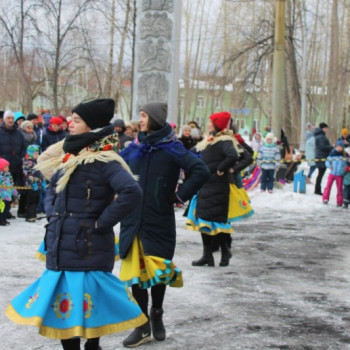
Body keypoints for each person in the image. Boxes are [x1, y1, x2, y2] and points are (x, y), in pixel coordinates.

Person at [5, 98, 147, 350]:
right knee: (63, 315)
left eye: (77, 120)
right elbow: (52, 189)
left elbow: (131, 192)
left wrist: (101, 222)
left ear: (91, 126)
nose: (71, 123)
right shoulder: (70, 155)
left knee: (91, 313)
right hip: (61, 244)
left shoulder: (106, 160)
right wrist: (52, 213)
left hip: (88, 248)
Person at [118, 101, 209, 348]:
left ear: (156, 119)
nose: (141, 120)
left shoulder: (172, 148)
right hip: (132, 219)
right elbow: (114, 167)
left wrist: (180, 194)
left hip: (158, 219)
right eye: (140, 115)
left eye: (145, 115)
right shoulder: (134, 148)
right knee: (135, 275)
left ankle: (157, 313)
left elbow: (200, 170)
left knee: (157, 272)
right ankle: (142, 324)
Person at [186, 111, 242, 268]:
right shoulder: (209, 140)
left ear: (217, 124)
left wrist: (221, 168)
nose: (208, 124)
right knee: (203, 220)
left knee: (218, 222)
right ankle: (207, 256)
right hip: (205, 184)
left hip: (218, 186)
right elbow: (192, 152)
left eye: (211, 122)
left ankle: (225, 252)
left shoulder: (225, 141)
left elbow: (233, 156)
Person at [0, 110, 26, 218]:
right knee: (2, 191)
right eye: (8, 118)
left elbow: (24, 148)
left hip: (16, 165)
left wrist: (21, 159)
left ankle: (7, 210)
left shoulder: (19, 133)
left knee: (11, 190)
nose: (10, 120)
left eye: (12, 118)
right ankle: (1, 212)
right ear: (4, 120)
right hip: (2, 167)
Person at [22, 144, 44, 222]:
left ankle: (33, 214)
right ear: (30, 153)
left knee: (36, 199)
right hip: (31, 185)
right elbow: (31, 172)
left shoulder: (36, 161)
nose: (37, 155)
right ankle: (29, 216)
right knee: (31, 200)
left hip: (37, 184)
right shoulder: (27, 162)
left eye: (38, 153)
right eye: (35, 153)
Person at [322, 140, 346, 207]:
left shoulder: (344, 155)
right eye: (337, 146)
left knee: (339, 188)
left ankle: (339, 202)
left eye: (340, 147)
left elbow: (346, 164)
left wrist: (344, 170)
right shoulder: (332, 154)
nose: (338, 148)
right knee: (328, 186)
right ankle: (325, 198)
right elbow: (327, 161)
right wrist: (329, 166)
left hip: (340, 175)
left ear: (342, 148)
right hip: (332, 173)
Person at [314, 122, 333, 195]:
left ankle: (317, 189)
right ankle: (317, 190)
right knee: (320, 174)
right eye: (326, 128)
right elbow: (322, 147)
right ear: (323, 128)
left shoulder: (319, 135)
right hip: (321, 157)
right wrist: (331, 147)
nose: (327, 130)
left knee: (320, 174)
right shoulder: (321, 137)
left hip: (320, 156)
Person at [0, 158, 18, 226]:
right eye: (6, 167)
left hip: (8, 195)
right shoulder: (0, 176)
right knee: (2, 209)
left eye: (8, 166)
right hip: (2, 196)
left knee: (7, 207)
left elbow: (11, 184)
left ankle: (4, 218)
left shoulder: (8, 175)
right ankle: (2, 221)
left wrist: (14, 191)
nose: (8, 168)